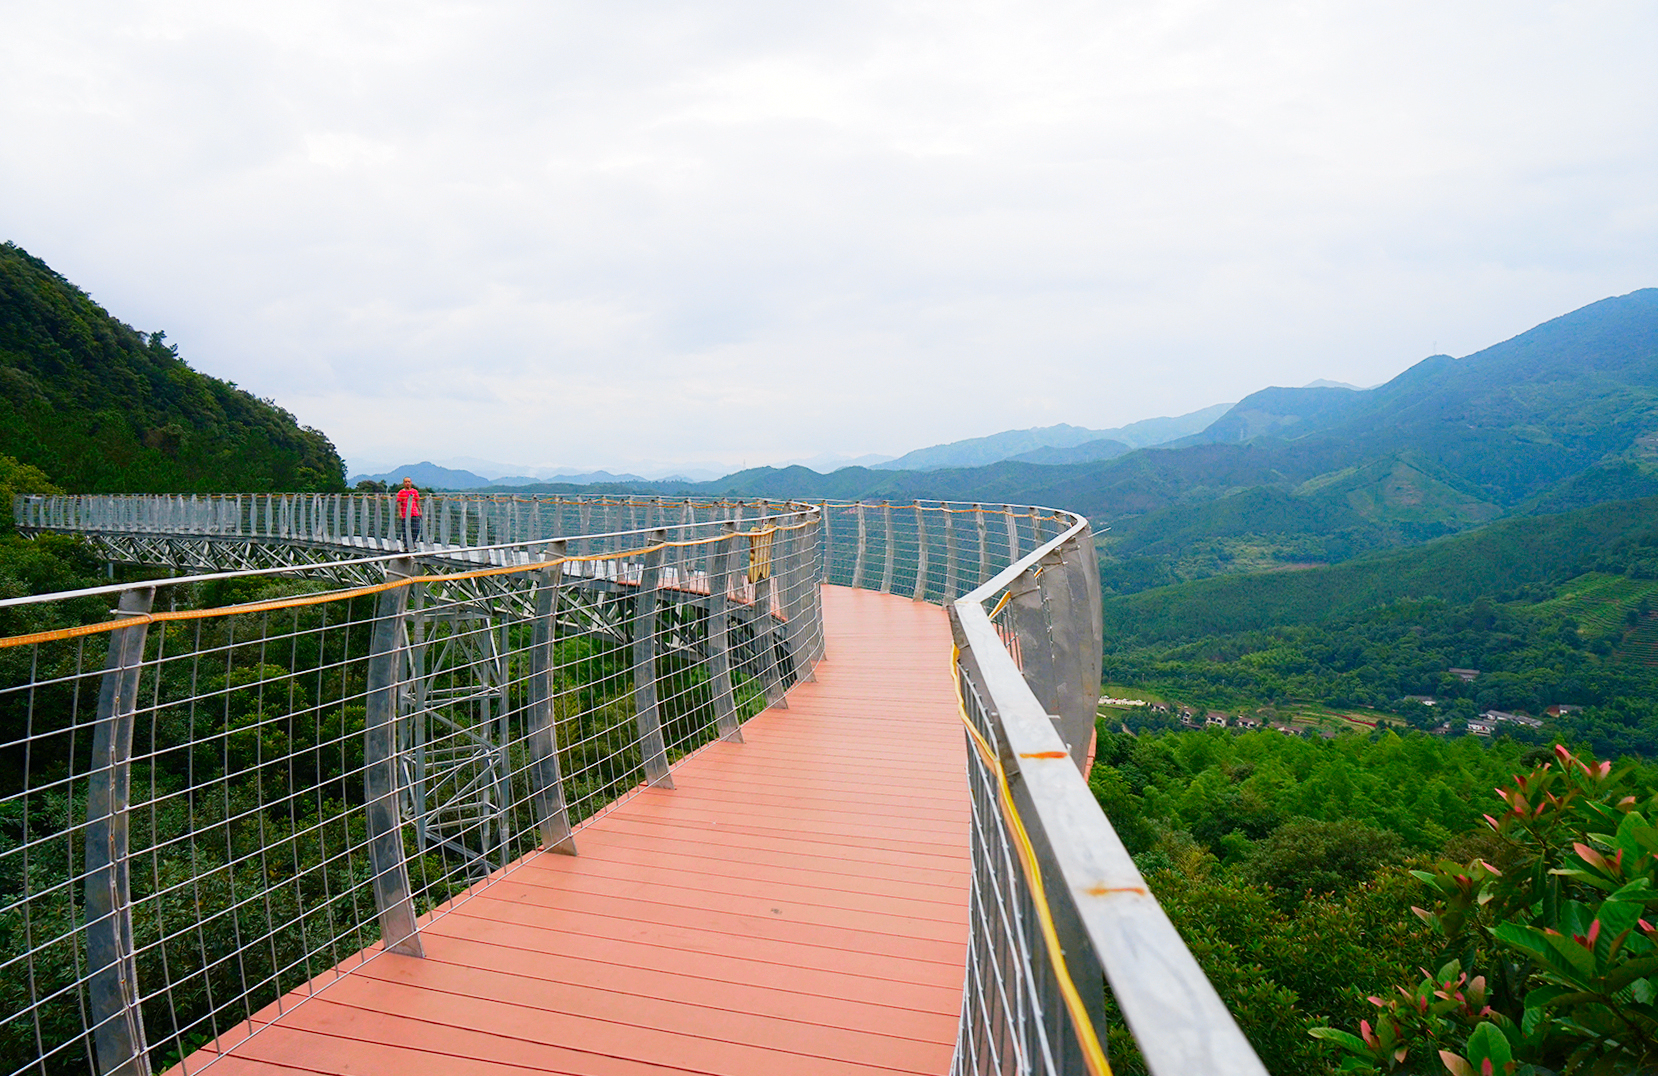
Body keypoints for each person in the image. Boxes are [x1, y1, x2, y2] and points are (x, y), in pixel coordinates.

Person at [395, 477, 421, 548]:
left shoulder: (414, 491)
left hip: (414, 513)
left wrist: (420, 511)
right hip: (405, 514)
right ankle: (406, 545)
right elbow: (399, 503)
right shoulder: (401, 492)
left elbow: (417, 501)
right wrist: (400, 513)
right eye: (406, 482)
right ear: (403, 483)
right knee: (405, 530)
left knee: (416, 529)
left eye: (409, 482)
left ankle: (412, 542)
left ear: (411, 482)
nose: (407, 483)